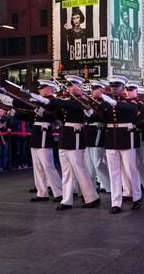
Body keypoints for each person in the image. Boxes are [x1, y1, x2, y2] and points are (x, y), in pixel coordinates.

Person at [29, 76, 101, 210]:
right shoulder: (68, 101)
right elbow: (57, 114)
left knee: (79, 169)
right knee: (66, 171)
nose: (68, 88)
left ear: (79, 87)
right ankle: (66, 200)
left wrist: (49, 100)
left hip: (75, 136)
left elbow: (67, 105)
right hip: (65, 136)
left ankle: (92, 197)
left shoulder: (81, 101)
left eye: (71, 85)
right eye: (68, 85)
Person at [0, 80, 63, 202]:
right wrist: (16, 114)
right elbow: (31, 116)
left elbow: (55, 116)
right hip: (36, 132)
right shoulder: (39, 101)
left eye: (43, 88)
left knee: (48, 165)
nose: (40, 90)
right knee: (37, 166)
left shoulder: (53, 102)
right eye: (40, 88)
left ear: (50, 89)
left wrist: (10, 100)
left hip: (44, 132)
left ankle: (58, 192)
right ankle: (42, 193)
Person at [94, 75, 142, 214]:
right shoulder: (105, 102)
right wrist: (91, 109)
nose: (114, 89)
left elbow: (132, 110)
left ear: (123, 88)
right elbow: (99, 117)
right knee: (114, 172)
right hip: (111, 137)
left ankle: (136, 197)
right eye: (112, 87)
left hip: (126, 137)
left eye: (117, 87)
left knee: (130, 169)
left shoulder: (130, 101)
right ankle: (116, 202)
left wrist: (114, 103)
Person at [83, 80, 111, 193]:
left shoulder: (106, 102)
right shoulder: (89, 101)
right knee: (89, 164)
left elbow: (104, 118)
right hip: (89, 131)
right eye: (93, 89)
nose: (93, 91)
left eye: (97, 89)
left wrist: (92, 111)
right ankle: (92, 187)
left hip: (99, 131)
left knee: (98, 162)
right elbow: (88, 119)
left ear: (102, 90)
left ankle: (109, 185)